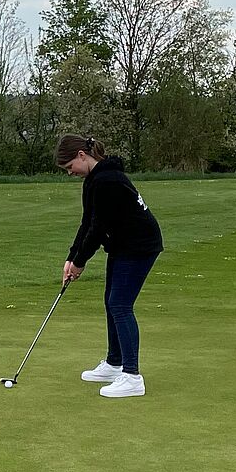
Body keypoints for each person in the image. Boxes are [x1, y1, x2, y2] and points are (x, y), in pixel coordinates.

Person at [55, 134, 162, 398]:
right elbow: (87, 222)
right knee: (110, 301)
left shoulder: (108, 180)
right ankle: (115, 363)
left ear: (82, 155)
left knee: (120, 305)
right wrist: (71, 257)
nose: (70, 173)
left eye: (70, 167)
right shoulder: (94, 180)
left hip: (140, 246)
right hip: (123, 245)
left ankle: (132, 376)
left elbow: (98, 229)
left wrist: (80, 263)